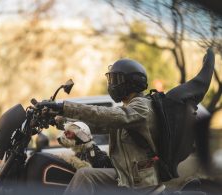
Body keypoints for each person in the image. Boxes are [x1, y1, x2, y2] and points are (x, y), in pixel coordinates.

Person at [36, 59, 160, 194]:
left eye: (116, 79)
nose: (112, 84)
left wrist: (64, 107)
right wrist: (59, 121)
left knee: (85, 175)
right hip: (125, 172)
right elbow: (96, 125)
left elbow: (102, 115)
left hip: (138, 181)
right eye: (111, 79)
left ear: (132, 82)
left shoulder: (141, 107)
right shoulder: (128, 109)